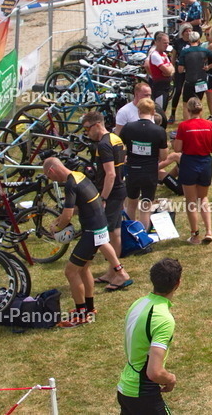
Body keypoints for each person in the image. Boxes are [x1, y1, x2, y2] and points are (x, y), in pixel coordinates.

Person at [42, 157, 130, 328]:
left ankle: (81, 314)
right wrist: (60, 219)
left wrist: (56, 228)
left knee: (71, 272)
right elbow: (78, 207)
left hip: (91, 232)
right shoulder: (79, 176)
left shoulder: (70, 184)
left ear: (51, 171)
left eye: (49, 176)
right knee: (84, 269)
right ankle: (89, 308)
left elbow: (68, 215)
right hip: (98, 226)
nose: (51, 180)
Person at [116, 258, 181, 415]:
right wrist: (170, 379)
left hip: (126, 389)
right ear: (177, 284)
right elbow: (154, 372)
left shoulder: (139, 303)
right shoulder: (164, 319)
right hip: (143, 393)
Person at [82, 111, 133, 292]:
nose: (86, 133)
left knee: (104, 233)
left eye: (87, 129)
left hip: (111, 193)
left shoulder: (103, 144)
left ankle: (118, 273)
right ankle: (112, 272)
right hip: (120, 189)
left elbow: (110, 174)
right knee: (115, 232)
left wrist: (103, 198)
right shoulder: (115, 138)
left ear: (97, 125)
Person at [173, 97, 212, 244]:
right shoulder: (210, 125)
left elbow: (177, 148)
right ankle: (209, 232)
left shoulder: (183, 126)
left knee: (191, 201)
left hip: (189, 163)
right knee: (203, 198)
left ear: (188, 110)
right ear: (201, 110)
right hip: (205, 162)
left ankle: (195, 235)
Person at [120, 99, 171, 231]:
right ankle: (143, 234)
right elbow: (164, 157)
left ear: (138, 111)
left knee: (131, 203)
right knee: (146, 206)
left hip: (132, 170)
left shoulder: (128, 127)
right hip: (150, 171)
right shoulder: (159, 131)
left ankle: (131, 233)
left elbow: (120, 148)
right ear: (153, 112)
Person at [178, 30, 212, 103]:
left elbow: (180, 70)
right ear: (198, 39)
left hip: (190, 81)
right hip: (202, 81)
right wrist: (209, 67)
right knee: (198, 102)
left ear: (189, 40)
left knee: (187, 104)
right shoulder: (204, 50)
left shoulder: (185, 52)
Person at [166, 24, 192, 124]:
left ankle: (190, 114)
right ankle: (173, 114)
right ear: (182, 32)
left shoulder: (194, 42)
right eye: (186, 31)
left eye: (190, 31)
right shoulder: (178, 42)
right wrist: (172, 69)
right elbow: (173, 57)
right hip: (179, 70)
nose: (188, 33)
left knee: (189, 93)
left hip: (190, 70)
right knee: (178, 91)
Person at [146, 32, 175, 111]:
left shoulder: (164, 54)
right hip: (159, 87)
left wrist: (170, 71)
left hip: (166, 86)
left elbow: (172, 68)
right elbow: (168, 71)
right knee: (159, 111)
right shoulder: (155, 55)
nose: (167, 45)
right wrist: (169, 71)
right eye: (164, 43)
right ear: (157, 42)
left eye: (168, 43)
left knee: (163, 109)